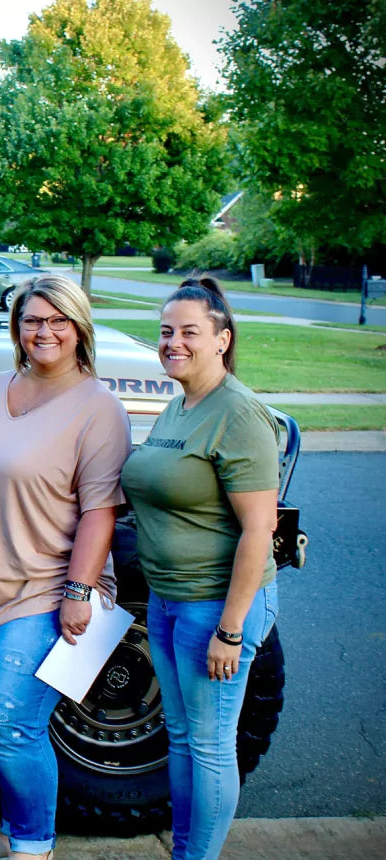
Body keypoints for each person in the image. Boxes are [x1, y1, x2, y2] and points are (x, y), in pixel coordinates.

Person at [0, 274, 131, 860]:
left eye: (57, 320)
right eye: (32, 320)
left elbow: (100, 511)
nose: (43, 331)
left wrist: (79, 589)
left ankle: (34, 847)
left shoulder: (99, 408)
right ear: (17, 329)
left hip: (48, 590)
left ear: (78, 329)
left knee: (9, 720)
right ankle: (11, 829)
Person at [120, 276, 279, 860]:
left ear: (222, 339)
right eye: (166, 332)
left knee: (211, 744)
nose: (174, 343)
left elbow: (259, 530)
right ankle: (187, 850)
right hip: (166, 601)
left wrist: (231, 629)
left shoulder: (238, 414)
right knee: (184, 738)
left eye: (190, 331)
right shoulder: (181, 403)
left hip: (215, 607)